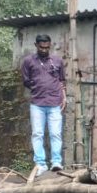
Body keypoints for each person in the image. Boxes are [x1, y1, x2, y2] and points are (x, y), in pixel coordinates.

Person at [21, 34, 66, 174]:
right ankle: (40, 164)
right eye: (41, 47)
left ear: (50, 45)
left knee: (56, 134)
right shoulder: (28, 61)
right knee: (37, 134)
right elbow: (26, 81)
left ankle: (56, 162)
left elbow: (62, 81)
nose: (44, 50)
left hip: (55, 103)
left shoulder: (57, 61)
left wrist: (64, 97)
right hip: (37, 103)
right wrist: (37, 87)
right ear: (36, 45)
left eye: (47, 47)